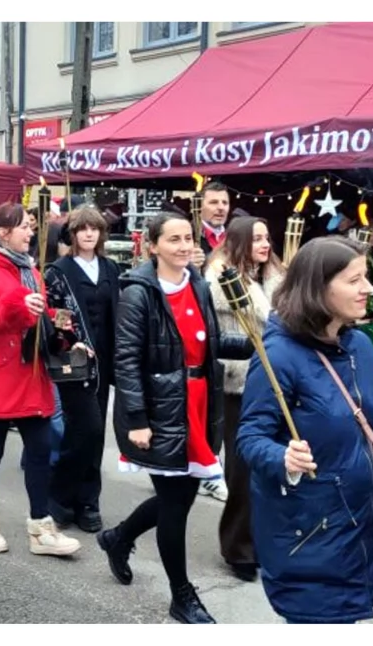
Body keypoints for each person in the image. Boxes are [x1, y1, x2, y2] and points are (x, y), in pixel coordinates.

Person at [237, 236, 373, 624]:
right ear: (318, 287)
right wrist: (282, 456)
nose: (367, 288)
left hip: (358, 527)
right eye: (354, 280)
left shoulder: (361, 348)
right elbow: (250, 436)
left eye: (366, 277)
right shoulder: (278, 354)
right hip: (308, 534)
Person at [98, 212, 251, 623]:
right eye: (173, 240)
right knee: (175, 505)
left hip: (200, 404)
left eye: (188, 238)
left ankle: (118, 537)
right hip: (161, 410)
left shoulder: (198, 284)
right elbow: (126, 361)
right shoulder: (138, 293)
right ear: (153, 246)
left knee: (177, 499)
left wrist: (259, 342)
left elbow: (210, 343)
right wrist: (137, 420)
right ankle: (181, 594)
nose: (184, 247)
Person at [0, 202, 81, 557]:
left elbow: (37, 316)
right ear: (3, 232)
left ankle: (40, 527)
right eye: (25, 227)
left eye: (31, 226)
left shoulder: (30, 268)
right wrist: (16, 305)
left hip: (29, 370)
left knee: (41, 448)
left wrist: (63, 328)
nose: (32, 233)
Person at [203, 214, 284, 582]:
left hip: (279, 383)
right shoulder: (222, 282)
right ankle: (238, 547)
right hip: (239, 386)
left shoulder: (275, 280)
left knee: (273, 470)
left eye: (267, 237)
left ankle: (265, 542)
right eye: (256, 239)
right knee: (242, 470)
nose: (265, 244)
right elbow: (218, 340)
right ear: (239, 243)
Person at [43, 206, 121, 532]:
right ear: (72, 234)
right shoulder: (58, 271)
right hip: (71, 355)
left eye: (94, 229)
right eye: (82, 229)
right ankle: (60, 494)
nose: (89, 234)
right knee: (84, 428)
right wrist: (70, 339)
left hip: (103, 358)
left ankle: (88, 501)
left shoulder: (111, 267)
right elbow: (56, 315)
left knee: (95, 431)